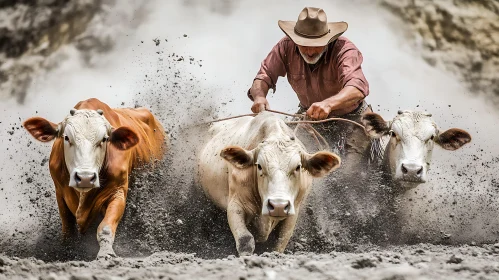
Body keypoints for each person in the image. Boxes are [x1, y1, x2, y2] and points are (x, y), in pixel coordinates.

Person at [247, 7, 381, 174]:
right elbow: (264, 75)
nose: (310, 51)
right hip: (310, 118)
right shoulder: (285, 46)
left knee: (347, 174)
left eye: (316, 45)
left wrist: (329, 104)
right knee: (291, 163)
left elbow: (357, 88)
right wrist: (259, 97)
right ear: (295, 40)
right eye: (304, 45)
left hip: (352, 119)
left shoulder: (344, 49)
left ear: (327, 40)